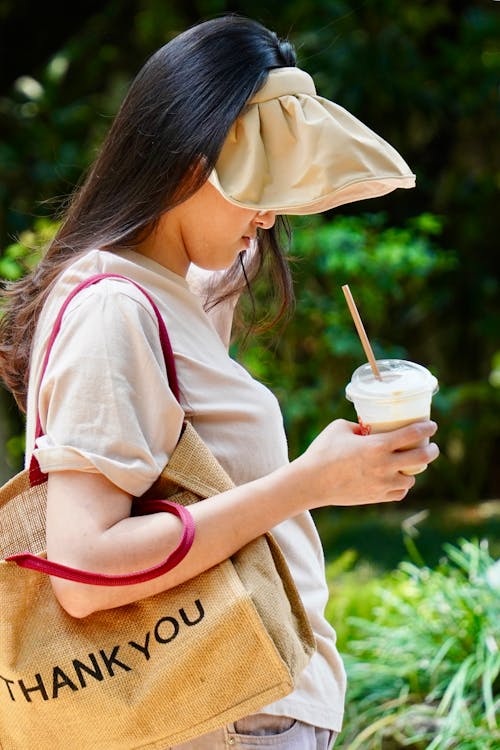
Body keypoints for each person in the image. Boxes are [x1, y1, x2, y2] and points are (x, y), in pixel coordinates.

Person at [0, 14, 439, 750]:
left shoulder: (168, 295)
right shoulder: (113, 309)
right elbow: (83, 567)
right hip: (225, 717)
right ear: (186, 162)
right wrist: (310, 482)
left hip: (253, 711)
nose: (269, 216)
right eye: (256, 186)